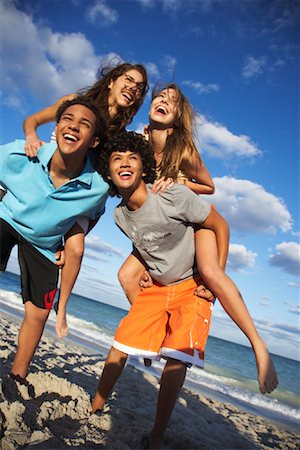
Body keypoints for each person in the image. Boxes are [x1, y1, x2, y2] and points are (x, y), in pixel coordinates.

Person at [92, 131, 278, 450]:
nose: (124, 163)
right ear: (108, 172)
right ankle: (95, 406)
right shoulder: (120, 216)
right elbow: (151, 246)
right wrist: (146, 274)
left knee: (177, 358)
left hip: (192, 288)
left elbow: (219, 225)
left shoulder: (173, 195)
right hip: (157, 289)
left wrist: (212, 276)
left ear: (145, 166)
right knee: (119, 345)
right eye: (116, 158)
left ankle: (158, 434)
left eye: (132, 157)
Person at [22, 61, 149, 329]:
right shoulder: (74, 104)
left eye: (139, 88)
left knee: (76, 249)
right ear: (112, 80)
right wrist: (32, 137)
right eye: (128, 80)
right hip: (47, 179)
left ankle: (62, 307)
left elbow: (102, 190)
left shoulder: (118, 136)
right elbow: (32, 120)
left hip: (79, 196)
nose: (133, 89)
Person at [0, 97, 109, 385]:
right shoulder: (24, 154)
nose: (73, 126)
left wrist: (71, 236)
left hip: (43, 241)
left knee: (39, 313)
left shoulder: (96, 187)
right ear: (58, 126)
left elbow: (94, 214)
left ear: (94, 142)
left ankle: (16, 378)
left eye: (84, 124)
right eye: (67, 119)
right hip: (6, 218)